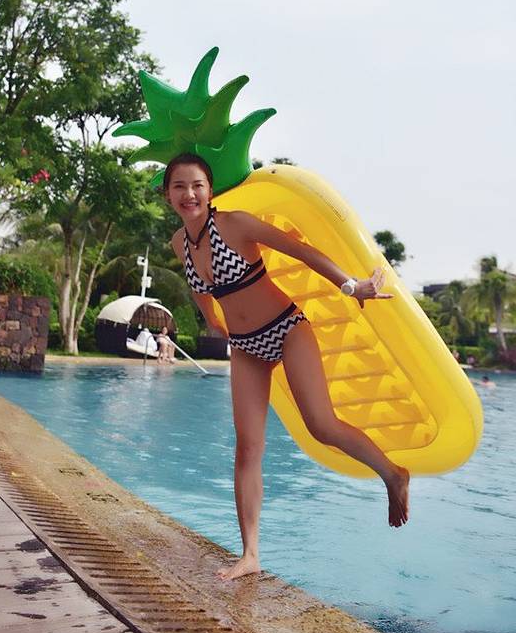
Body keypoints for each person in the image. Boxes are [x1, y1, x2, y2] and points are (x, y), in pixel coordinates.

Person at [164, 152, 410, 582]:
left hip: (287, 328)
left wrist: (351, 287)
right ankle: (250, 555)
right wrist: (213, 321)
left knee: (321, 425)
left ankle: (393, 474)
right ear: (168, 194)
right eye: (179, 186)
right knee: (247, 447)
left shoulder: (236, 224)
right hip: (246, 347)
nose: (189, 193)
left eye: (197, 185)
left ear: (210, 189)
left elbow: (300, 251)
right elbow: (199, 286)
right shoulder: (178, 242)